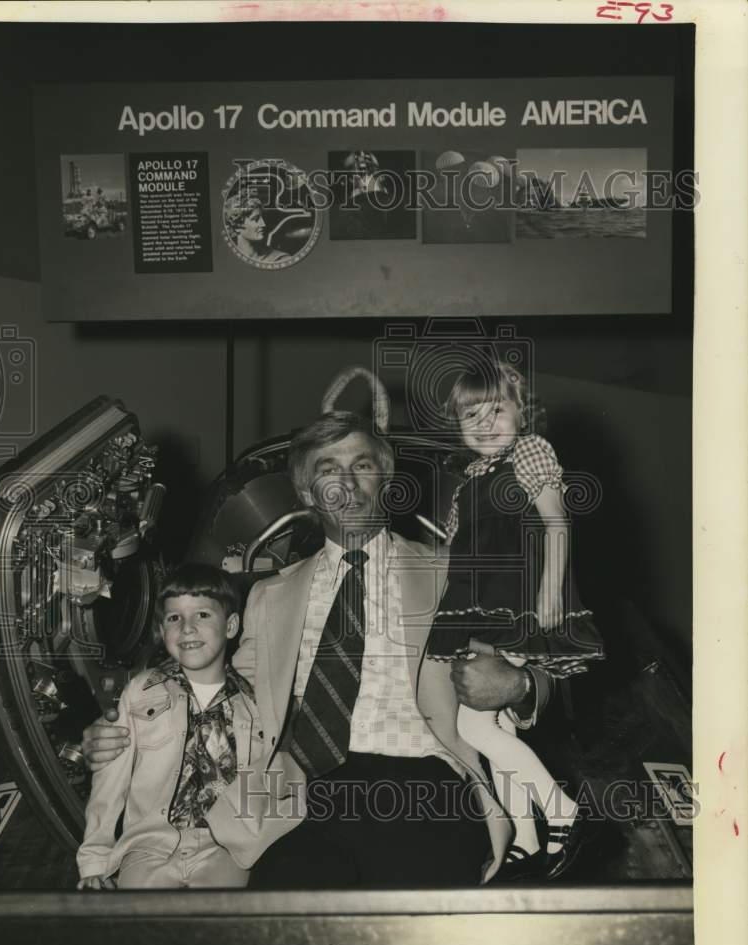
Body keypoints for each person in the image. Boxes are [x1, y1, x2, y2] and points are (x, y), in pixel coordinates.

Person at [82, 412, 556, 888]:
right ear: (307, 493)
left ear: (386, 479)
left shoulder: (453, 573)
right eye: (329, 469)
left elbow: (550, 670)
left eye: (362, 466)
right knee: (281, 911)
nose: (347, 483)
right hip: (298, 793)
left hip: (424, 784)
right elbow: (215, 693)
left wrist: (519, 686)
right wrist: (124, 731)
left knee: (412, 915)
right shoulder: (268, 596)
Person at [424, 360, 604, 878]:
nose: (485, 424)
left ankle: (563, 811)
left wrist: (550, 593)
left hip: (518, 603)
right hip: (479, 610)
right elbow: (454, 552)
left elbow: (557, 523)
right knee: (498, 724)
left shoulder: (529, 452)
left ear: (523, 412)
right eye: (471, 415)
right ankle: (525, 838)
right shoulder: (467, 483)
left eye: (497, 410)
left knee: (473, 724)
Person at [76, 563, 259, 890]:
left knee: (221, 917)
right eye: (175, 618)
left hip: (225, 849)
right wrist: (95, 862)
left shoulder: (253, 703)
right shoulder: (140, 691)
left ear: (231, 625)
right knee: (140, 918)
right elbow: (110, 781)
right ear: (162, 630)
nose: (187, 628)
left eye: (202, 615)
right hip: (148, 847)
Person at [223, 192, 290, 264]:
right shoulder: (227, 260)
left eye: (262, 218)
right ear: (237, 226)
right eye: (255, 219)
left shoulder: (281, 259)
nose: (263, 224)